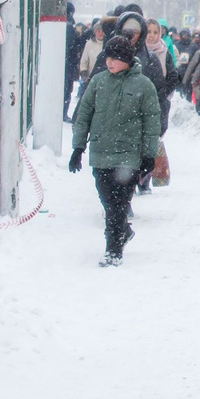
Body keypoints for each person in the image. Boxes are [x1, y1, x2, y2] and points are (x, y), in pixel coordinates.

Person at [69, 31, 162, 265]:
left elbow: (152, 122)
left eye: (115, 58)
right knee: (106, 199)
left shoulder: (143, 85)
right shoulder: (98, 82)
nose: (109, 62)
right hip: (101, 153)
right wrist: (78, 148)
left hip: (128, 155)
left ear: (128, 59)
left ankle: (113, 249)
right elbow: (84, 116)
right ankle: (124, 231)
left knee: (118, 203)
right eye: (107, 58)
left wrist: (149, 155)